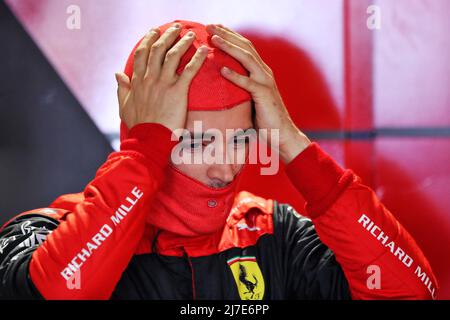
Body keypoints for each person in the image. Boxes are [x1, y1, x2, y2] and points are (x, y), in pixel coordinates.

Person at [0, 20, 437, 300]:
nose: (225, 169)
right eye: (196, 143)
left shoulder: (272, 235)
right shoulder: (44, 235)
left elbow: (412, 293)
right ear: (144, 137)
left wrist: (293, 145)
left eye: (242, 140)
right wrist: (142, 157)